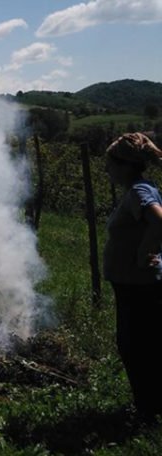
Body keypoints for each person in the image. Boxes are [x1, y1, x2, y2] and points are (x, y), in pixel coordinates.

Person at [103, 132, 162, 421]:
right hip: (132, 284)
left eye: (110, 164)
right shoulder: (139, 188)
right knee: (142, 344)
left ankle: (147, 412)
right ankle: (149, 407)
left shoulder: (139, 190)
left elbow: (159, 221)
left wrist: (144, 253)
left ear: (124, 165)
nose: (107, 170)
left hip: (137, 285)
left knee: (136, 346)